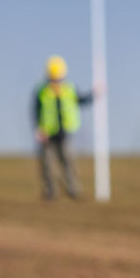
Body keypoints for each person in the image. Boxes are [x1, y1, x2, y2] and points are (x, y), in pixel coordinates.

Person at [32, 55, 94, 200]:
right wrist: (39, 129)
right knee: (47, 165)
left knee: (69, 162)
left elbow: (81, 100)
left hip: (64, 133)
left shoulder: (69, 89)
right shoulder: (42, 91)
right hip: (47, 133)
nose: (56, 79)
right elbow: (36, 111)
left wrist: (93, 95)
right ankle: (50, 192)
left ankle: (73, 190)